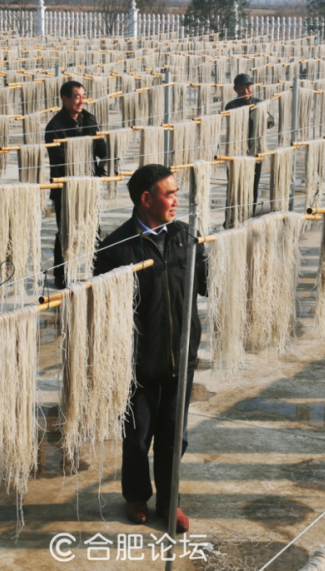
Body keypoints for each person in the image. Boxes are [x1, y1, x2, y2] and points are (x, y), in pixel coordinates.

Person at [93, 164, 207, 534]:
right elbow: (104, 313)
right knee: (138, 436)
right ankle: (137, 496)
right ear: (146, 199)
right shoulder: (115, 248)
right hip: (139, 361)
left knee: (175, 435)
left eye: (176, 193)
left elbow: (204, 285)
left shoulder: (186, 237)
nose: (176, 201)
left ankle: (170, 500)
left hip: (181, 354)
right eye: (169, 194)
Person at [44, 80, 108, 288]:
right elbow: (59, 159)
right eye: (77, 97)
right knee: (66, 231)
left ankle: (98, 269)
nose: (81, 101)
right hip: (65, 189)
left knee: (94, 228)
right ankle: (61, 276)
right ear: (65, 99)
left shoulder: (89, 120)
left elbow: (100, 147)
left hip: (88, 187)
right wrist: (81, 162)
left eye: (83, 96)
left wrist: (103, 164)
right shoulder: (54, 127)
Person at [224, 73, 275, 216]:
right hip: (236, 153)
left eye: (248, 87)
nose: (246, 91)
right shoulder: (232, 106)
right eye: (242, 88)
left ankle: (249, 215)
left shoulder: (259, 103)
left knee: (253, 186)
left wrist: (262, 113)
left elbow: (270, 122)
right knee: (234, 186)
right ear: (235, 89)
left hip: (255, 152)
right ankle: (231, 218)